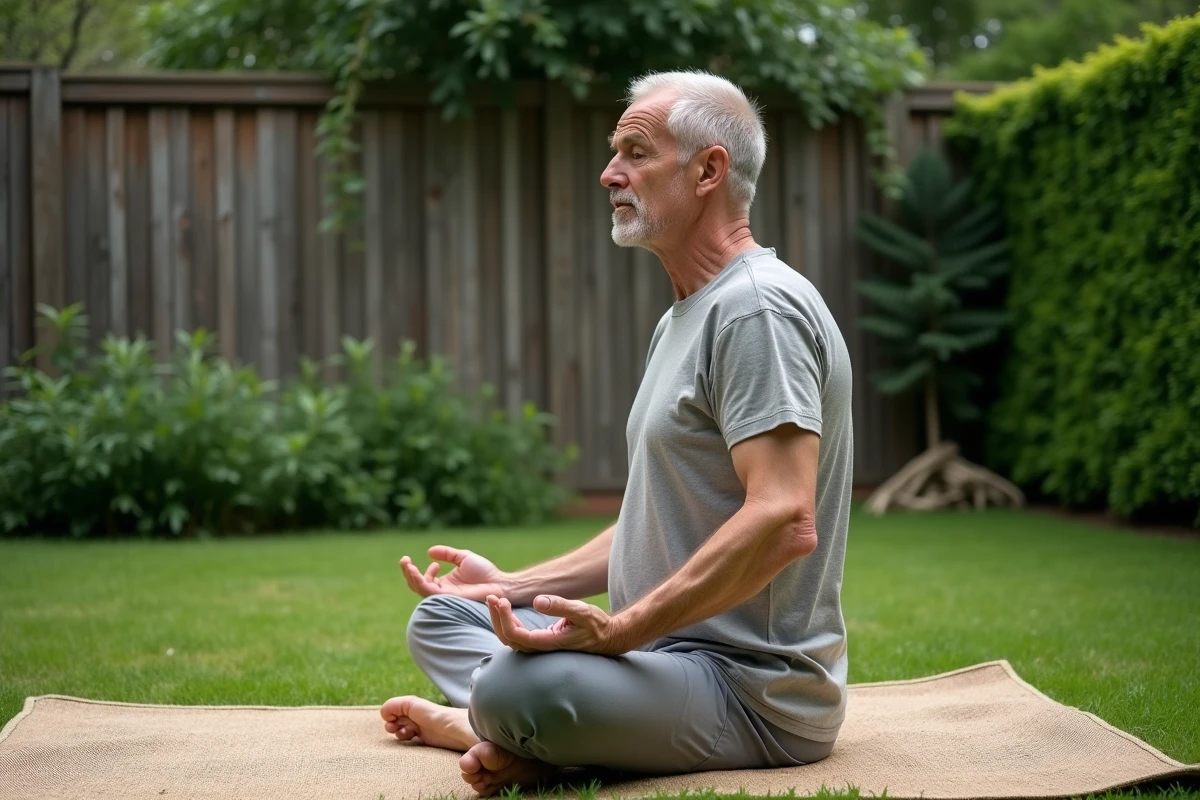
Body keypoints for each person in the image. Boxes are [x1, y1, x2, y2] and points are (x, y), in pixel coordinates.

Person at [381, 70, 854, 797]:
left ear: (708, 170)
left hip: (751, 693)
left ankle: (488, 722)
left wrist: (622, 630)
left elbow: (785, 518)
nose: (609, 173)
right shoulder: (685, 317)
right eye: (614, 152)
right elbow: (653, 518)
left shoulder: (758, 311)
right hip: (660, 661)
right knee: (444, 614)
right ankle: (530, 732)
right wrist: (513, 584)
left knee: (516, 687)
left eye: (635, 151)